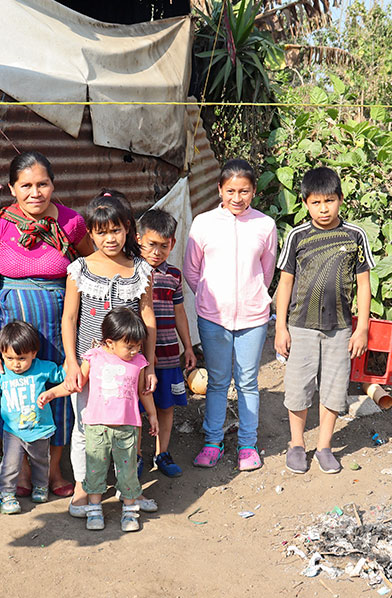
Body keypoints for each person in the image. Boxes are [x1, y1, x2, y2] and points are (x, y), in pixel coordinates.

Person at [0, 151, 94, 498]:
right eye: (25, 185)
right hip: (13, 327)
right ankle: (23, 470)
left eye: (42, 184)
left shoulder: (71, 223)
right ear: (12, 188)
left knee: (56, 393)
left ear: (53, 185)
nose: (35, 192)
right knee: (16, 395)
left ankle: (54, 471)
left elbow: (94, 264)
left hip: (61, 325)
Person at [61, 192, 158, 517]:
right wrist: (72, 360)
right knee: (84, 426)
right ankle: (83, 488)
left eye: (115, 230)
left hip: (130, 368)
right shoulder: (79, 269)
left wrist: (150, 366)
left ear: (128, 229)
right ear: (90, 233)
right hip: (89, 366)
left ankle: (129, 488)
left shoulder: (141, 270)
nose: (109, 238)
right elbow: (70, 318)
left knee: (131, 425)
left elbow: (148, 321)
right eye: (101, 232)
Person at [274, 167, 374, 474]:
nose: (323, 208)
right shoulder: (297, 237)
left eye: (329, 201)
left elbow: (364, 285)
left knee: (333, 387)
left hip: (340, 329)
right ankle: (296, 445)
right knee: (298, 387)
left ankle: (325, 447)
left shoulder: (355, 236)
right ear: (305, 202)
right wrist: (280, 328)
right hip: (301, 326)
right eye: (316, 202)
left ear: (341, 200)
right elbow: (285, 284)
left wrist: (362, 329)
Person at [184, 159, 277, 471]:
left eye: (245, 191)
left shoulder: (265, 225)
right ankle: (213, 441)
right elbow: (191, 270)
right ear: (219, 190)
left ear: (253, 192)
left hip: (253, 318)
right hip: (214, 318)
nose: (237, 198)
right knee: (218, 381)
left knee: (249, 381)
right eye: (231, 191)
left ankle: (248, 445)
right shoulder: (203, 224)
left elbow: (266, 272)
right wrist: (211, 300)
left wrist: (252, 297)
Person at [40, 308, 159, 532]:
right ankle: (94, 510)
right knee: (94, 470)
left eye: (138, 345)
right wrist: (52, 393)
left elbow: (144, 392)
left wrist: (152, 415)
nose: (134, 350)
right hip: (96, 428)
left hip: (127, 428)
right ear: (109, 342)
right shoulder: (94, 357)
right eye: (129, 346)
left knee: (128, 470)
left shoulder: (138, 362)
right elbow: (76, 384)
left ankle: (130, 510)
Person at [0, 321, 66, 514]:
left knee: (41, 460)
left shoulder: (43, 368)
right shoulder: (3, 373)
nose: (15, 364)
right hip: (13, 432)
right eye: (9, 358)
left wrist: (78, 358)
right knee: (11, 464)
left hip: (40, 429)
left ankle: (40, 486)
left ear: (34, 353)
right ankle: (5, 495)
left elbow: (61, 375)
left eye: (21, 358)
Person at [136, 208, 196, 477]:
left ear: (172, 243)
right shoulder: (131, 271)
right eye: (151, 245)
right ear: (138, 239)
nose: (157, 252)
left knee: (166, 406)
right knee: (136, 407)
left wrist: (189, 347)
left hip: (170, 352)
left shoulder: (173, 274)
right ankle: (135, 456)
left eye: (164, 245)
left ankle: (162, 453)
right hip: (136, 355)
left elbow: (180, 312)